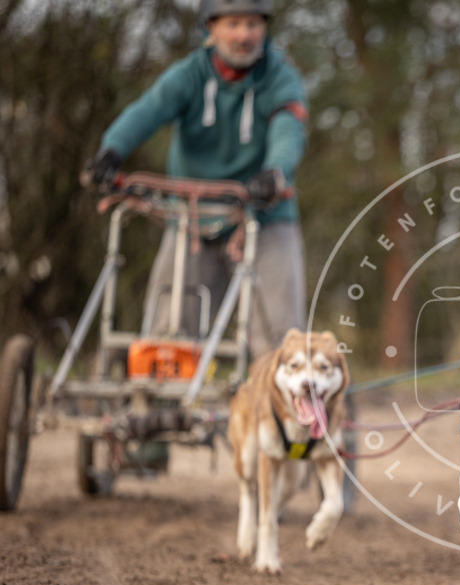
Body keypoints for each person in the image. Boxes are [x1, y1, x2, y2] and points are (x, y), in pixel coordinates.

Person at [82, 0, 308, 358]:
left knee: (280, 338)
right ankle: (154, 406)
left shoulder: (280, 78)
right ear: (211, 28)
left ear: (265, 28)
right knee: (168, 329)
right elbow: (147, 111)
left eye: (253, 24)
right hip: (191, 220)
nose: (244, 35)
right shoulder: (189, 75)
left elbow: (288, 129)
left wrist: (275, 171)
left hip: (262, 215)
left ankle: (287, 410)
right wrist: (111, 151)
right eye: (233, 24)